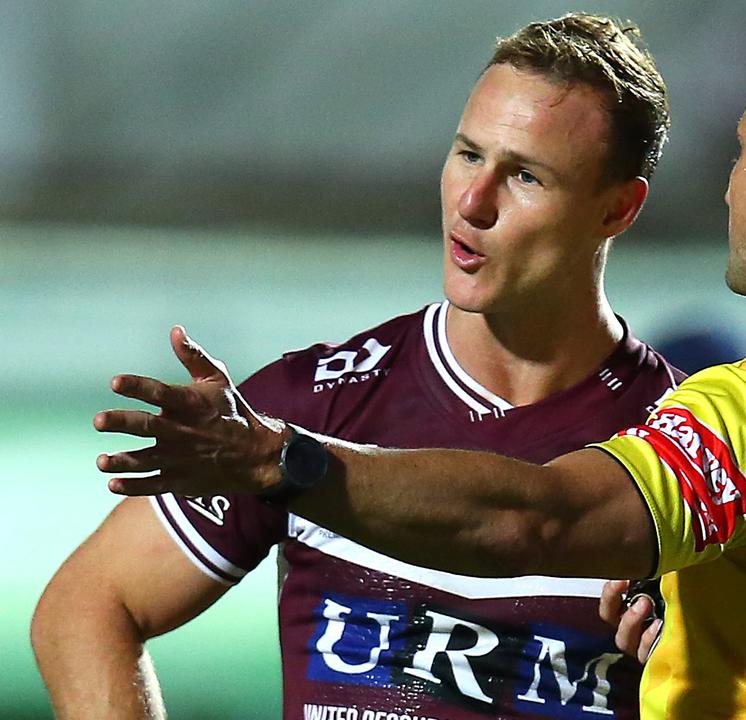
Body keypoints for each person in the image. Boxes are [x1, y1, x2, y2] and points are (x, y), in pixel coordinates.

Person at [88, 7, 746, 719]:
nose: (731, 183)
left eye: (742, 152)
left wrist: (285, 464)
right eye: (466, 153)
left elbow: (535, 515)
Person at [31, 13, 684, 720]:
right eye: (467, 155)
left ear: (618, 208)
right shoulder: (312, 408)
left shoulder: (686, 448)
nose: (472, 203)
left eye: (524, 175)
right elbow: (88, 607)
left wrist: (697, 667)